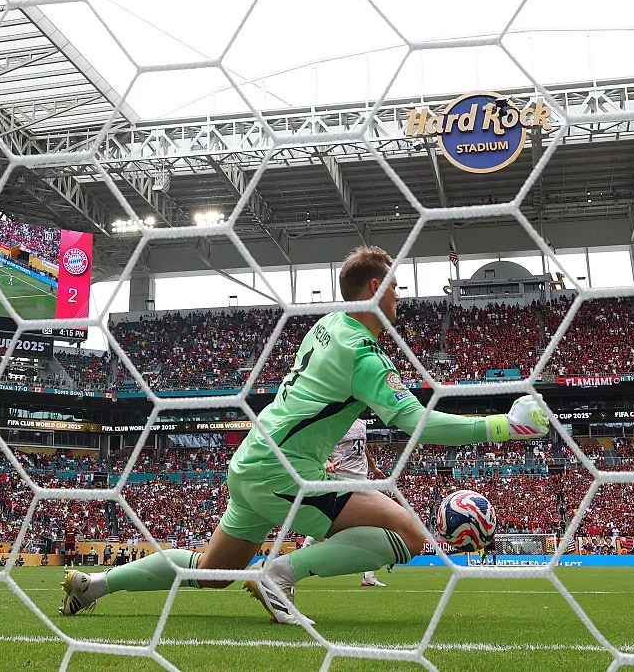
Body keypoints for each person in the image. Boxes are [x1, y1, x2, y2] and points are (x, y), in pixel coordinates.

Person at [59, 245, 550, 624]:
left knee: (210, 572)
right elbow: (422, 425)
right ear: (376, 288)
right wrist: (507, 425)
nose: (400, 299)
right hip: (284, 471)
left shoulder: (326, 325)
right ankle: (280, 574)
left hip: (257, 459)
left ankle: (95, 586)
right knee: (410, 533)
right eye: (396, 289)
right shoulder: (363, 355)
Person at [304, 418, 391, 587]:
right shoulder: (335, 422)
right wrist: (327, 462)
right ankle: (295, 562)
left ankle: (369, 576)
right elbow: (318, 447)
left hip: (361, 480)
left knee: (376, 525)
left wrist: (373, 468)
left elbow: (363, 447)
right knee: (326, 524)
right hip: (340, 478)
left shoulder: (361, 423)